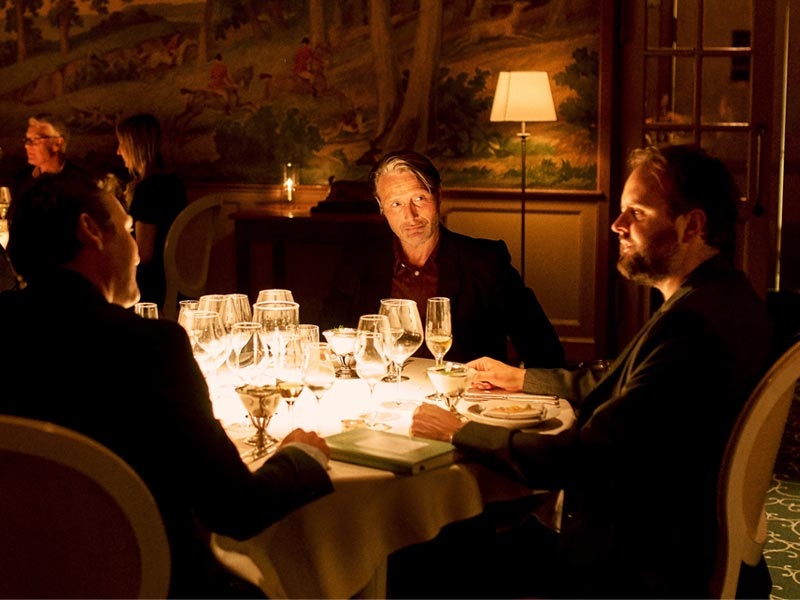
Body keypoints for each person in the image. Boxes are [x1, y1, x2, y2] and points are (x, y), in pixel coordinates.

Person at [407, 144, 776, 598]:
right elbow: (627, 386)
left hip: (634, 561)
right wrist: (522, 378)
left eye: (636, 212)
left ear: (692, 226)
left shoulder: (691, 329)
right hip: (669, 529)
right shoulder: (722, 298)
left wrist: (461, 431)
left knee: (428, 554)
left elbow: (586, 459)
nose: (617, 224)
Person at [0, 174, 334, 598]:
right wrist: (302, 457)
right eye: (127, 230)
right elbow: (235, 508)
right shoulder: (148, 346)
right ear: (90, 230)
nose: (137, 251)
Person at [322, 149, 565, 368]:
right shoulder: (357, 263)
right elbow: (332, 336)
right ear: (381, 207)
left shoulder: (486, 261)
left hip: (465, 395)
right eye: (396, 204)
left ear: (438, 195)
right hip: (383, 393)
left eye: (419, 198)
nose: (410, 216)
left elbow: (546, 354)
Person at [116, 113, 187, 311]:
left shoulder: (148, 191)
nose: (118, 152)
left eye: (122, 144)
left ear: (135, 147)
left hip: (152, 285)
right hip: (178, 276)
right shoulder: (174, 183)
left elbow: (144, 255)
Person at [12, 113, 89, 203]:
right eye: (27, 139)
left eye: (35, 140)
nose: (27, 145)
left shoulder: (79, 183)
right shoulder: (22, 179)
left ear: (57, 143)